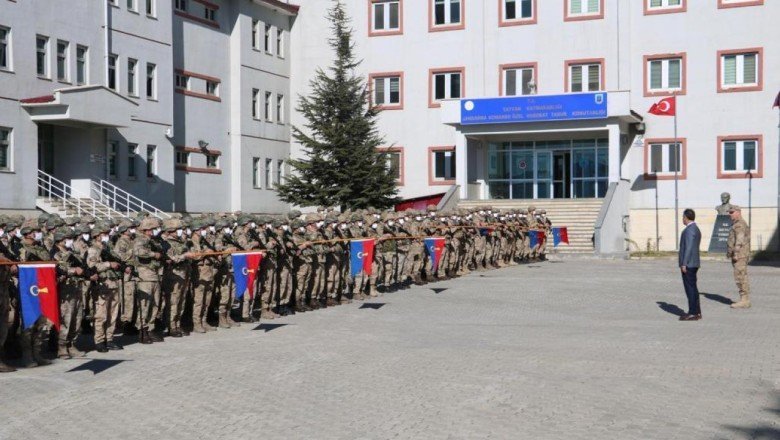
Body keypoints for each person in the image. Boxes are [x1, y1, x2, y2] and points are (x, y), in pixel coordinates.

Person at [678, 209, 702, 321]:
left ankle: (693, 313)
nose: (682, 219)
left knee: (690, 289)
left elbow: (688, 248)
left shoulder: (689, 230)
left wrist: (684, 263)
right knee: (693, 288)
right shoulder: (696, 229)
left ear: (686, 217)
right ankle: (697, 312)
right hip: (694, 263)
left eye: (683, 217)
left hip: (689, 264)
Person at [726, 206, 751, 309]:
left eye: (732, 212)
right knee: (741, 276)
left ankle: (744, 300)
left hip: (740, 255)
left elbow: (739, 240)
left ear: (738, 212)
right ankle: (744, 299)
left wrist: (735, 253)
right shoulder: (736, 224)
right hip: (740, 255)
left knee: (740, 277)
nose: (730, 214)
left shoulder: (739, 224)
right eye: (729, 212)